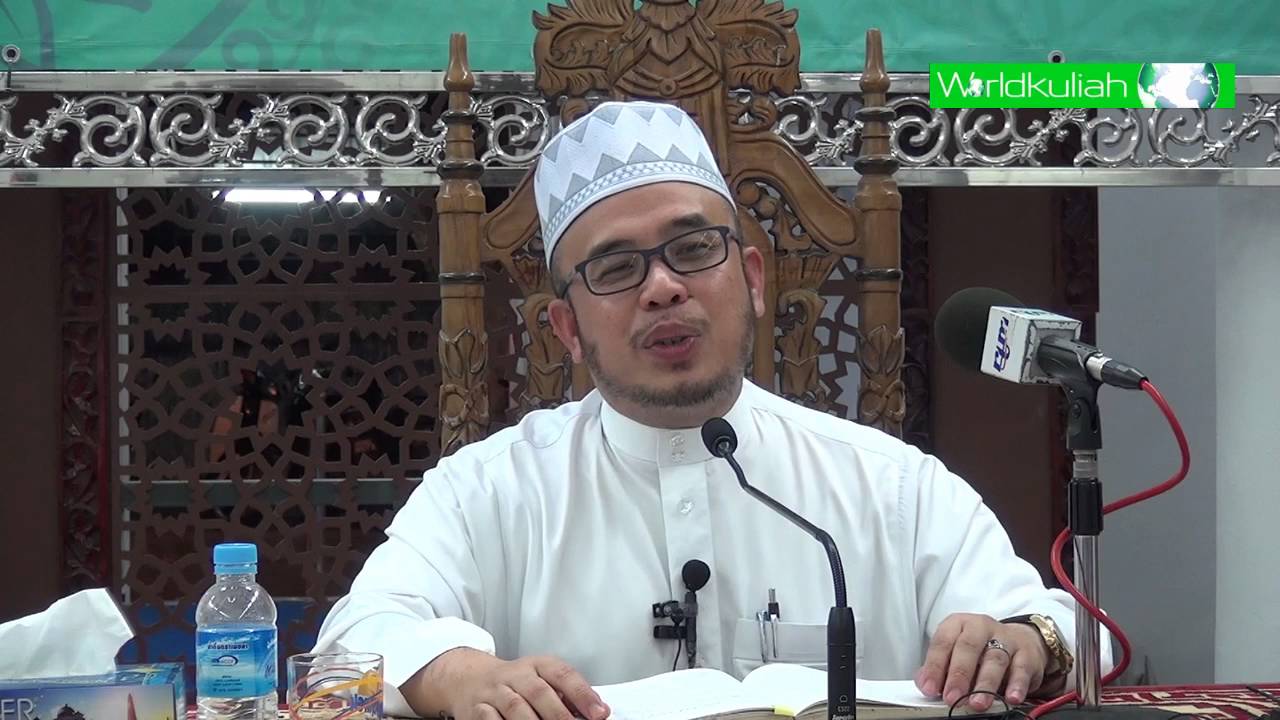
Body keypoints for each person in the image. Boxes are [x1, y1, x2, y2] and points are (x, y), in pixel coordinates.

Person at [313, 101, 1108, 720]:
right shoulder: (487, 492)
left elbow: (1068, 628)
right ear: (567, 331)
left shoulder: (890, 486)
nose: (663, 287)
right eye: (616, 268)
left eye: (693, 250)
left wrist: (1025, 640)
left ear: (753, 280)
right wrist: (460, 675)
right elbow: (352, 643)